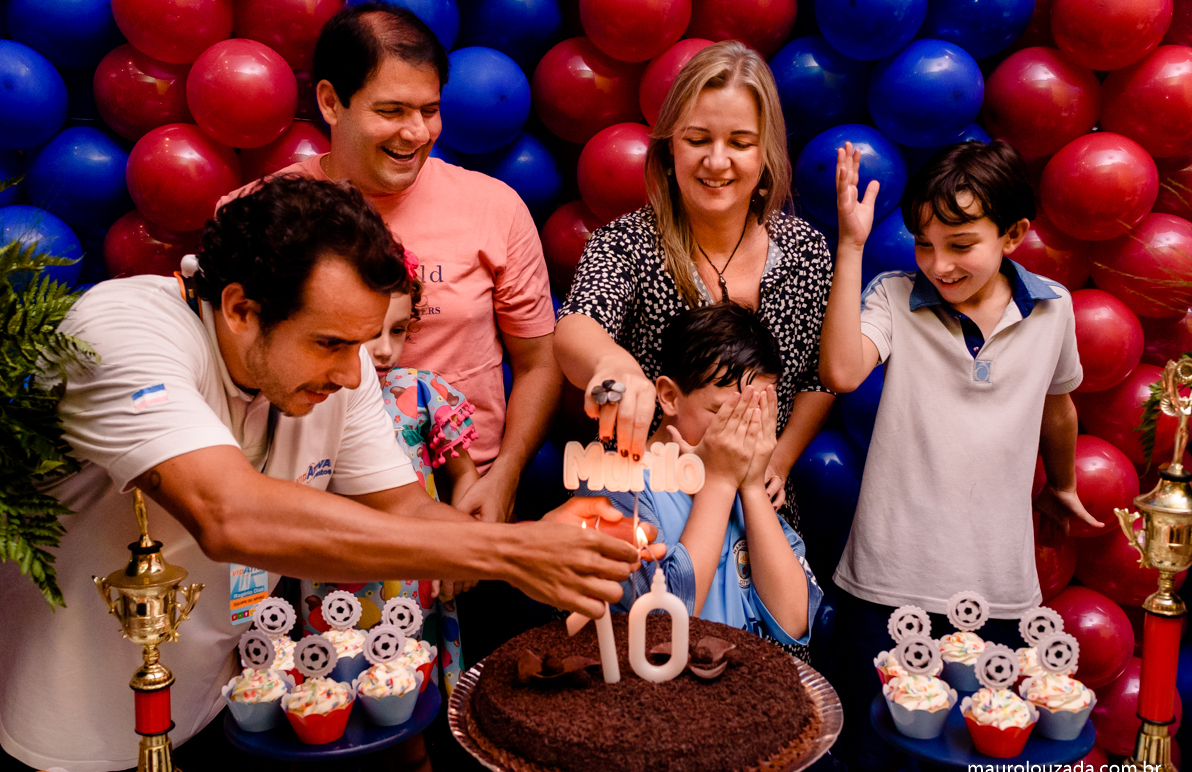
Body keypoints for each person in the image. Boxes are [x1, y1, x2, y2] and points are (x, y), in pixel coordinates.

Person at [0, 176, 652, 772]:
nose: (351, 372)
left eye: (359, 344)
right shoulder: (125, 329)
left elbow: (406, 510)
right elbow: (231, 515)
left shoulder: (344, 367)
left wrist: (547, 536)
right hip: (70, 728)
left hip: (220, 705)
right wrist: (513, 552)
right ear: (240, 309)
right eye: (329, 343)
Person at [818, 139, 1101, 772]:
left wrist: (1061, 483)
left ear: (1013, 235)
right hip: (886, 584)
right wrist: (852, 245)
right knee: (873, 763)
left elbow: (1058, 404)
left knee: (980, 765)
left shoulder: (1053, 308)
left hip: (1000, 591)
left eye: (961, 244)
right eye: (925, 244)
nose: (939, 264)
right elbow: (840, 371)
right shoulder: (894, 295)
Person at [224, 3, 561, 525]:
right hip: (309, 498)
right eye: (392, 111)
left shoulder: (495, 207)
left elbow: (539, 362)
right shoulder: (256, 214)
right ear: (331, 102)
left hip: (464, 494)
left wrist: (504, 478)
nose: (417, 132)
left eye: (429, 110)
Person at [554, 40, 835, 530]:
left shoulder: (805, 250)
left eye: (740, 143)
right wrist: (612, 365)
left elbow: (817, 378)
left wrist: (780, 458)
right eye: (698, 139)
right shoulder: (626, 243)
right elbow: (576, 327)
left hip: (756, 512)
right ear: (669, 149)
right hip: (645, 505)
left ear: (765, 155)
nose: (717, 160)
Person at [579, 304, 822, 661]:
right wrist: (719, 483)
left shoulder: (746, 485)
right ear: (669, 396)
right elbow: (663, 624)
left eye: (756, 416)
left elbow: (794, 620)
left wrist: (751, 487)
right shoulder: (617, 486)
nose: (742, 432)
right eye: (725, 414)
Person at [302, 249, 479, 701]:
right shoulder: (308, 397)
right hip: (328, 576)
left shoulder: (421, 392)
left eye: (397, 330)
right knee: (329, 696)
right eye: (370, 332)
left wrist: (460, 544)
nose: (384, 348)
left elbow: (466, 475)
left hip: (413, 577)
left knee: (411, 698)